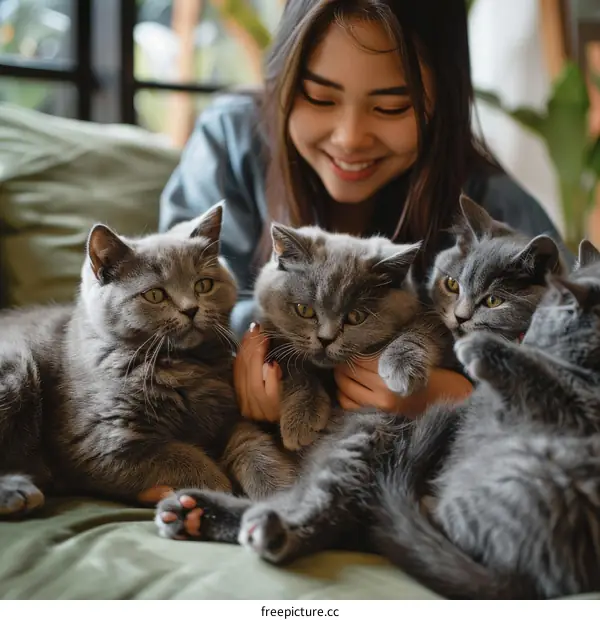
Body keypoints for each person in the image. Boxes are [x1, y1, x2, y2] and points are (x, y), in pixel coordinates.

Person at [158, 0, 566, 423]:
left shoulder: (490, 205)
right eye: (319, 97)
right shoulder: (232, 141)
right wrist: (250, 357)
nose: (350, 138)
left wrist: (465, 399)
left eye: (391, 107)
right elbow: (168, 310)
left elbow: (576, 365)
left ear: (442, 98)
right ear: (281, 80)